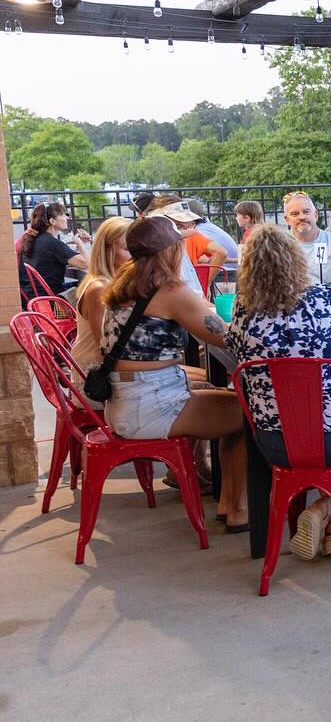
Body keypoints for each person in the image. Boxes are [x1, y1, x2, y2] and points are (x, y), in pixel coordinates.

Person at [226, 224, 331, 560]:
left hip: (277, 443)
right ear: (297, 260)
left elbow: (234, 347)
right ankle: (324, 510)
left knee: (323, 438)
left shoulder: (244, 311)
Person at [101, 217, 249, 531]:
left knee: (229, 399)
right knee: (248, 411)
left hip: (125, 401)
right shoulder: (170, 289)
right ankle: (238, 508)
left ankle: (229, 503)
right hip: (151, 405)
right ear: (168, 251)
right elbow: (225, 337)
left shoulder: (127, 279)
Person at [73, 216, 131, 378]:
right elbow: (105, 346)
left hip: (116, 367)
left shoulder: (117, 281)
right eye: (127, 248)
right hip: (96, 377)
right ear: (107, 250)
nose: (135, 254)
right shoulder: (99, 288)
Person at [284, 191, 331, 290]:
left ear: (316, 215)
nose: (301, 217)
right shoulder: (278, 247)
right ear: (287, 220)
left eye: (306, 211)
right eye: (295, 214)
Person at [19, 201, 89, 298]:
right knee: (88, 288)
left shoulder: (33, 239)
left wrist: (79, 245)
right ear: (52, 221)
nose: (67, 217)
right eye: (63, 214)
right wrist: (79, 243)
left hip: (31, 298)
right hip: (51, 300)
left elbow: (59, 258)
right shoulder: (52, 243)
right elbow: (86, 264)